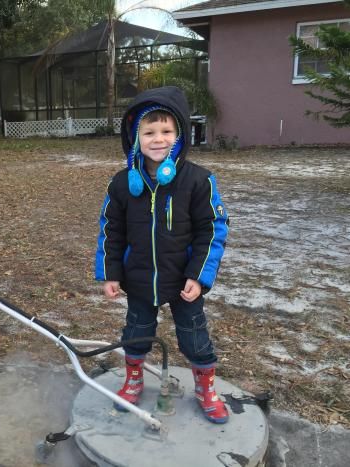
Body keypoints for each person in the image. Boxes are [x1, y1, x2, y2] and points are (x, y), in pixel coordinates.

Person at [95, 86, 230, 423]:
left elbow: (212, 230)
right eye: (149, 132)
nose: (158, 139)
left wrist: (198, 275)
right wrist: (111, 273)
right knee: (136, 333)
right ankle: (134, 378)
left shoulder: (198, 181)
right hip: (139, 278)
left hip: (184, 280)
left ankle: (205, 387)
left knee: (195, 336)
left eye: (166, 131)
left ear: (180, 134)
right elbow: (111, 230)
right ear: (135, 137)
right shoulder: (123, 183)